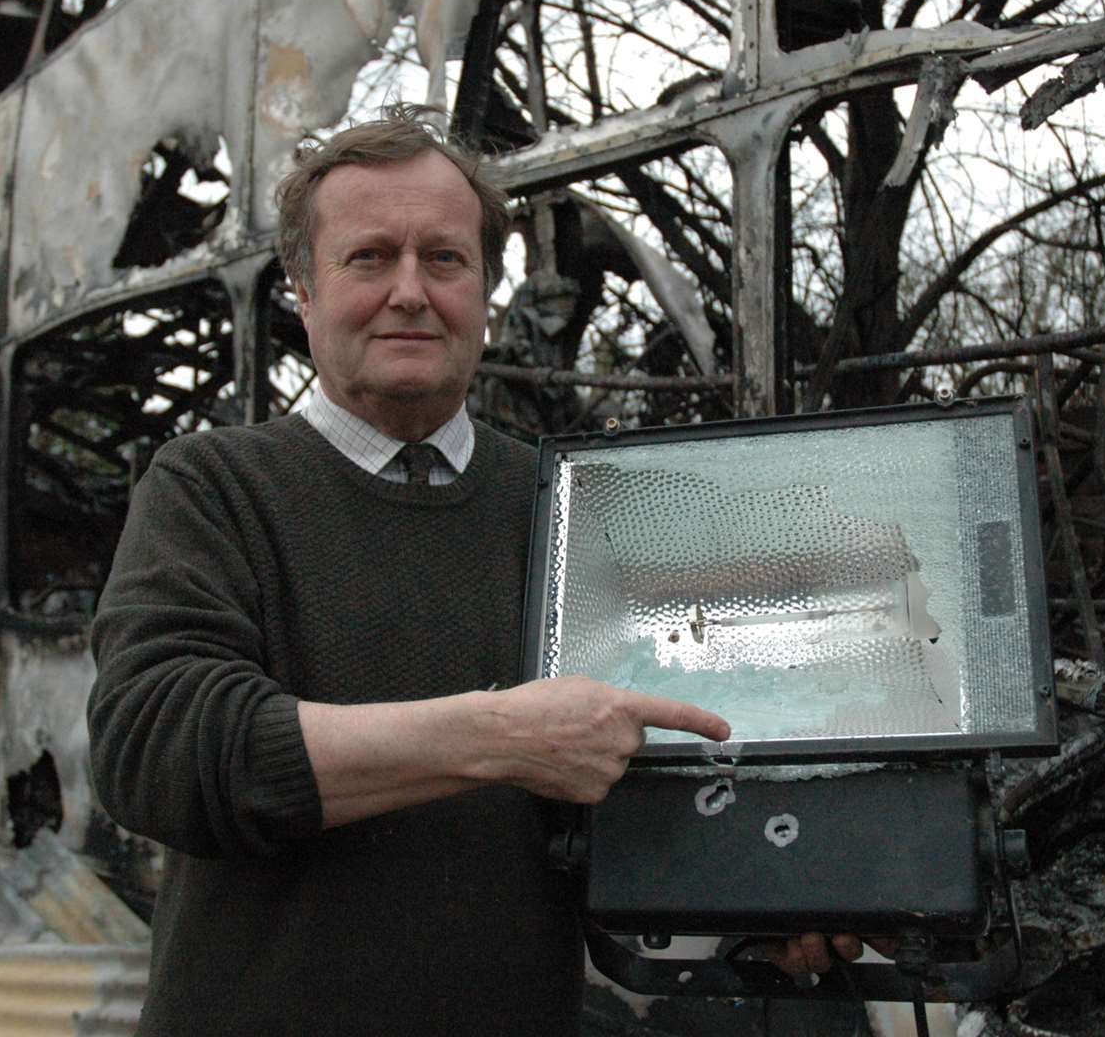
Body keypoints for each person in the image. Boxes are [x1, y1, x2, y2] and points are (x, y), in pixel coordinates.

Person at [88, 105, 865, 1035]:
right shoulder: (211, 485)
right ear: (303, 290)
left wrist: (771, 893)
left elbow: (636, 781)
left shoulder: (572, 501)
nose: (410, 291)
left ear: (487, 290)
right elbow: (157, 752)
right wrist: (497, 737)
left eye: (445, 259)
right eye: (368, 257)